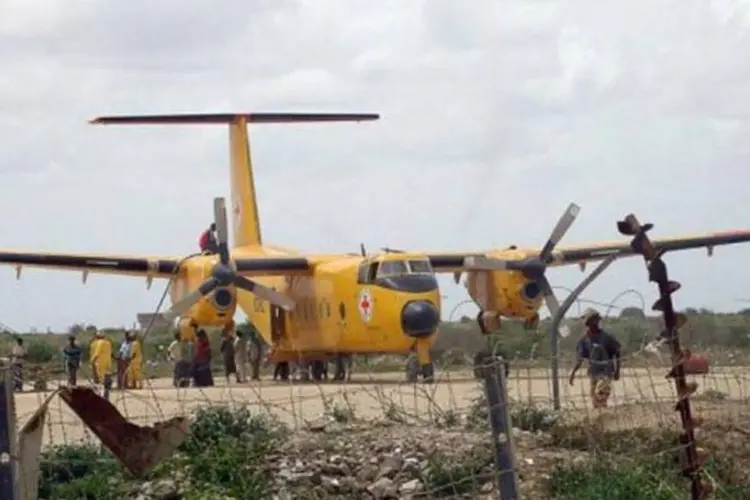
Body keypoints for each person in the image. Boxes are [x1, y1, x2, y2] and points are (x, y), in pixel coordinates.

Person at [569, 309, 622, 409]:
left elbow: (617, 352)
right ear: (588, 323)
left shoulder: (606, 337)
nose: (596, 322)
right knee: (595, 401)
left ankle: (603, 416)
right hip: (593, 372)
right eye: (593, 320)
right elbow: (580, 359)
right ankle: (601, 419)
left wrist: (618, 370)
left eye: (597, 320)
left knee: (601, 394)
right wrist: (573, 373)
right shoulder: (584, 340)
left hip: (606, 372)